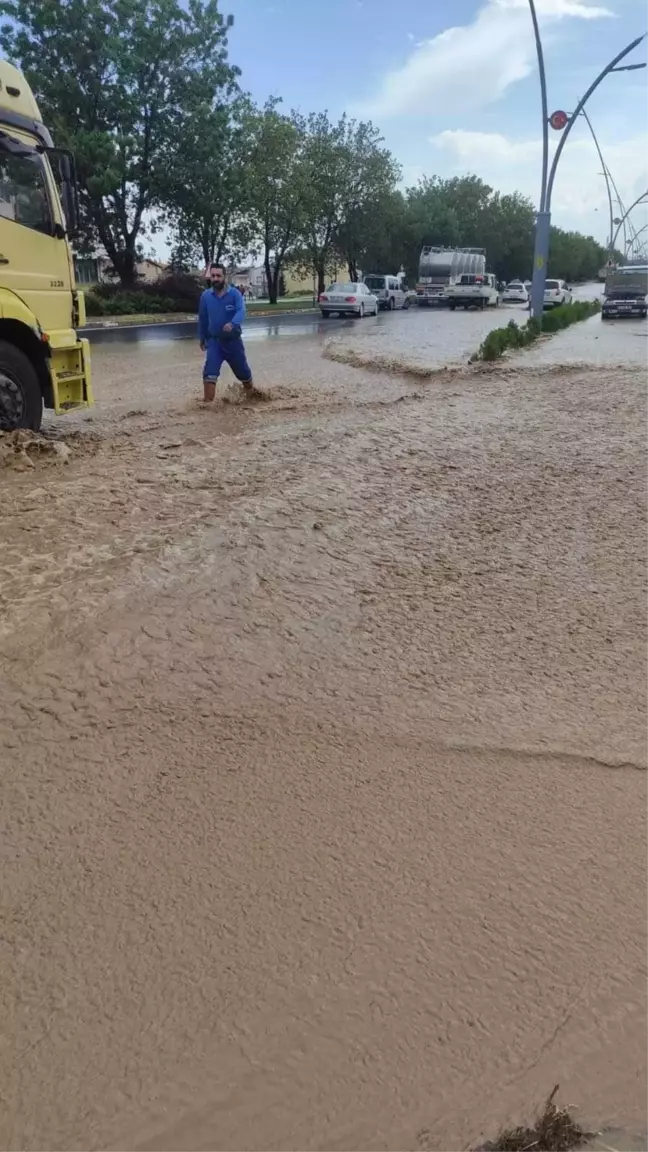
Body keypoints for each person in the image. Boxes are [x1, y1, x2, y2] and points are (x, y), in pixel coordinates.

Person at [198, 263, 256, 402]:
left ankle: (253, 398)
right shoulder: (206, 296)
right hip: (215, 342)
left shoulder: (235, 294)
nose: (216, 279)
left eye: (218, 275)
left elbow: (241, 311)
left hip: (233, 342)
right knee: (209, 373)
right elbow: (203, 318)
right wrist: (202, 338)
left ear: (225, 277)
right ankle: (206, 408)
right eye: (213, 276)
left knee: (243, 373)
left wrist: (233, 323)